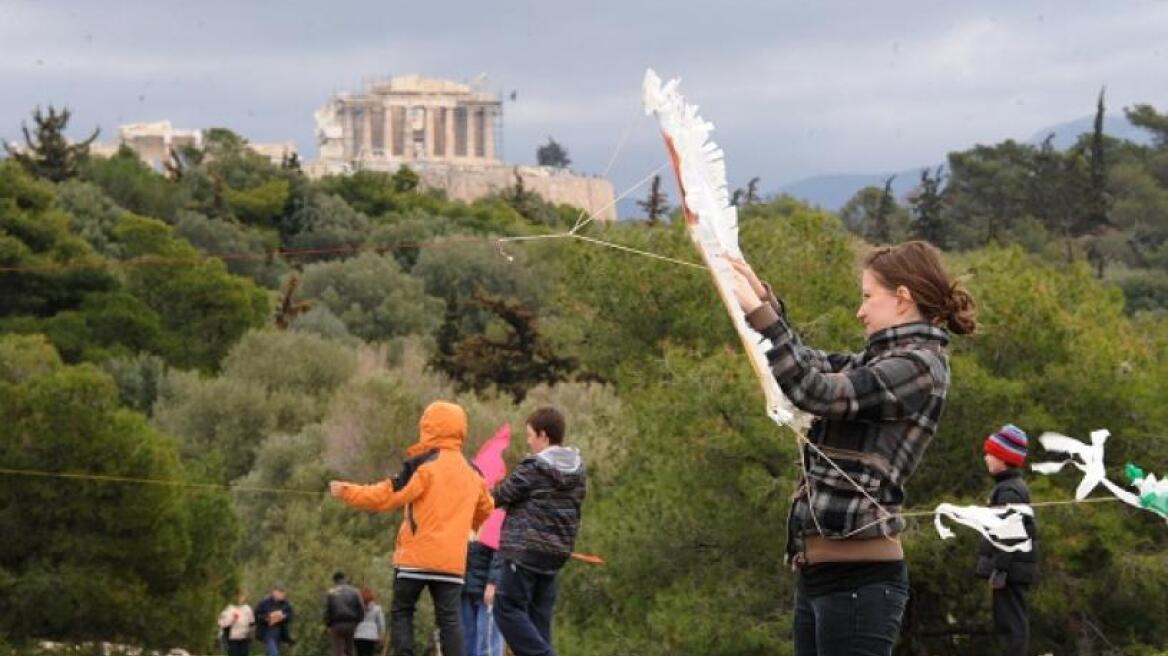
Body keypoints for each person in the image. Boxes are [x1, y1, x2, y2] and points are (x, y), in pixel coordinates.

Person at [727, 240, 977, 656]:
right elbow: (808, 363)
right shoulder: (880, 360)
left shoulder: (918, 367)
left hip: (859, 582)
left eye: (867, 297)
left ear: (902, 299)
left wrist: (766, 320)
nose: (860, 311)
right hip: (822, 576)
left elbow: (814, 391)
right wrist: (767, 304)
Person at [329, 401, 495, 656]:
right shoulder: (473, 473)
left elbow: (386, 496)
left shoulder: (422, 465)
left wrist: (347, 492)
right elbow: (486, 508)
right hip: (451, 561)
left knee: (403, 611)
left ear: (428, 427)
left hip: (415, 558)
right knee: (450, 620)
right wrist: (467, 524)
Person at [491, 407, 586, 656]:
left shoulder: (534, 466)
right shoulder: (578, 470)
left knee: (506, 608)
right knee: (537, 620)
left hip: (525, 550)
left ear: (543, 435)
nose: (529, 442)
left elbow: (499, 497)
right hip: (555, 554)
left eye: (530, 436)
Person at [978, 424, 1039, 656]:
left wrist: (1000, 569)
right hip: (1011, 567)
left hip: (1011, 568)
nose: (986, 458)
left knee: (1011, 621)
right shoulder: (1006, 487)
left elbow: (1009, 534)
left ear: (1003, 458)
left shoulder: (1009, 491)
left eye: (990, 454)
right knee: (1007, 619)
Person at [461, 538, 504, 656]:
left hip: (487, 587)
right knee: (465, 642)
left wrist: (493, 582)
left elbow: (503, 548)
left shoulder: (495, 520)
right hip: (463, 587)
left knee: (487, 642)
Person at [325, 571, 365, 656]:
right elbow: (361, 608)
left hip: (336, 624)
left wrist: (328, 624)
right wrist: (358, 621)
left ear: (335, 581)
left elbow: (328, 610)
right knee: (350, 648)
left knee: (337, 650)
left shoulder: (331, 592)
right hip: (351, 623)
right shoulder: (355, 591)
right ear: (344, 579)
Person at [254, 584, 295, 656]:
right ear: (275, 592)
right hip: (267, 631)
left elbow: (290, 615)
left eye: (283, 593)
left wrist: (283, 617)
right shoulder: (264, 603)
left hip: (280, 632)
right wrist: (268, 617)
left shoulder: (286, 604)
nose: (283, 595)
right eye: (281, 593)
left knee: (273, 652)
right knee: (274, 653)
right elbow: (257, 616)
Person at [218, 591, 255, 656]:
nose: (240, 599)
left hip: (244, 637)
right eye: (238, 596)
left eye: (242, 596)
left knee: (244, 654)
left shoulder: (247, 608)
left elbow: (252, 622)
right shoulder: (229, 608)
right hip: (232, 638)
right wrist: (232, 619)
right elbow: (222, 623)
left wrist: (250, 632)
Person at [354, 586, 385, 656]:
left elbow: (354, 620)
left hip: (358, 635)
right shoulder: (377, 608)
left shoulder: (357, 608)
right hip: (372, 635)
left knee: (360, 653)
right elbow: (381, 623)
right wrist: (381, 636)